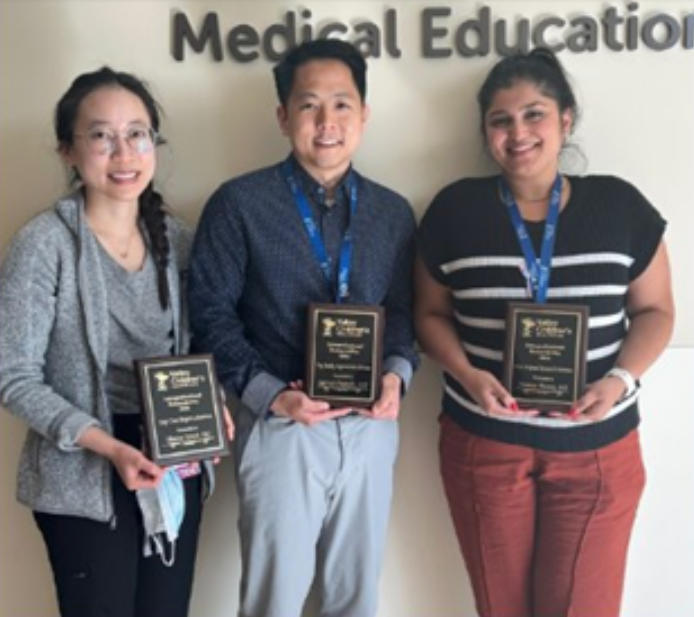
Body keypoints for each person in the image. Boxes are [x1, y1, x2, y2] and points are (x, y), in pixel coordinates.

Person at [415, 47, 674, 617]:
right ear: (486, 133)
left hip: (596, 448)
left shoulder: (620, 206)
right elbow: (428, 315)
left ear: (566, 120)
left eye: (534, 113)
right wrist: (466, 372)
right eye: (500, 120)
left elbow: (657, 311)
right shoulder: (455, 209)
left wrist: (621, 380)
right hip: (485, 444)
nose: (518, 132)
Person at [188, 38, 418, 617]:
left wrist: (396, 375)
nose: (326, 122)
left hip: (369, 428)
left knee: (356, 597)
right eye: (309, 104)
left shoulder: (392, 212)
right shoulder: (238, 203)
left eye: (342, 104)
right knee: (273, 600)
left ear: (364, 114)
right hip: (281, 426)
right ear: (283, 115)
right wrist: (271, 397)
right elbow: (211, 313)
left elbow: (404, 312)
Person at [0, 67, 232, 617]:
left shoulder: (177, 239)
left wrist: (215, 398)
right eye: (101, 135)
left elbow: (200, 342)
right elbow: (12, 374)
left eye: (138, 133)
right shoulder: (44, 245)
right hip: (85, 471)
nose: (123, 152)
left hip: (174, 460)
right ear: (68, 151)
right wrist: (108, 446)